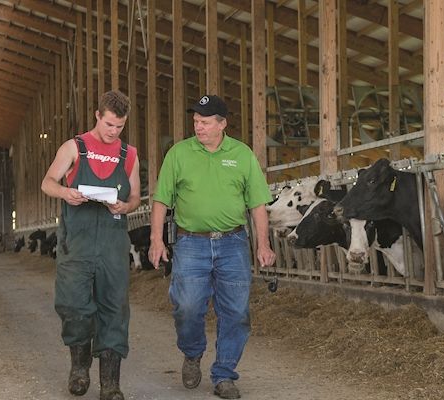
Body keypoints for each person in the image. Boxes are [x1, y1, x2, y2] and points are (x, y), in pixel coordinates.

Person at [148, 94, 276, 399]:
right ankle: (192, 353)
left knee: (236, 311)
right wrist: (156, 239)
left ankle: (224, 374)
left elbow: (257, 203)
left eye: (204, 122)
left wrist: (264, 243)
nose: (198, 127)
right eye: (195, 121)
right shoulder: (178, 154)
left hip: (233, 242)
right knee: (187, 306)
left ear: (222, 124)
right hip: (191, 242)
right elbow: (161, 199)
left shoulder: (242, 155)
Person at [41, 90, 141, 400]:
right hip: (78, 243)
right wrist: (65, 193)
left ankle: (110, 384)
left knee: (114, 308)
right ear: (97, 116)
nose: (114, 132)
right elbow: (47, 182)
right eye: (109, 124)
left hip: (112, 242)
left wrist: (125, 207)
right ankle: (79, 367)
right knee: (73, 304)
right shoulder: (74, 147)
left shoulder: (129, 155)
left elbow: (135, 196)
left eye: (120, 127)